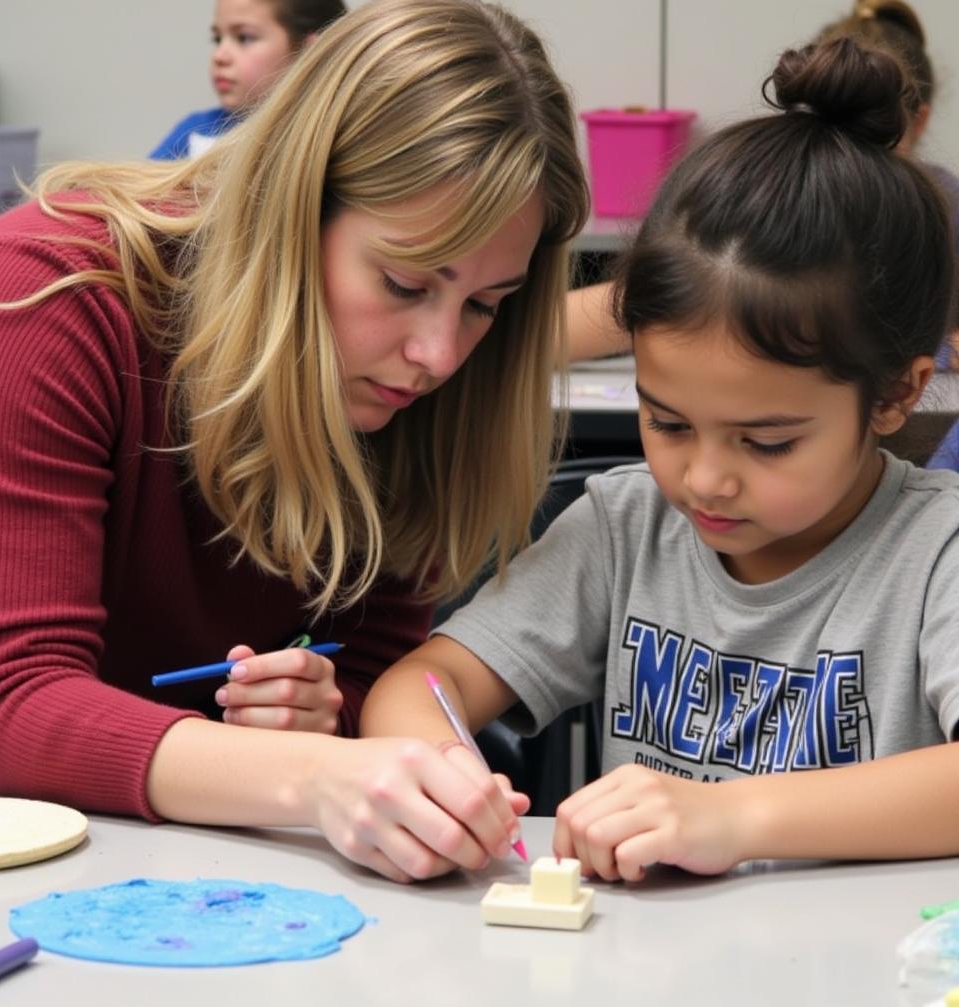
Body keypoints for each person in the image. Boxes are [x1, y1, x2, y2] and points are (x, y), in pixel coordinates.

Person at [0, 0, 591, 884]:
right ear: (292, 206)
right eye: (402, 282)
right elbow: (23, 708)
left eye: (485, 304)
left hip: (185, 785)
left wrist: (323, 716)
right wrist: (315, 776)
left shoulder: (418, 383)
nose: (439, 355)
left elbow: (368, 664)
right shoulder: (51, 291)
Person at [362, 37, 959, 882]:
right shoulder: (626, 526)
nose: (705, 478)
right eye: (668, 421)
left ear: (897, 395)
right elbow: (421, 683)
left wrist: (735, 815)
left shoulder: (938, 550)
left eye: (767, 441)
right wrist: (441, 777)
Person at [817, 0, 959, 369]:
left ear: (919, 121)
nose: (856, 154)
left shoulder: (950, 207)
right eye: (839, 129)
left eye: (877, 134)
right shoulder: (791, 200)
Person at [150, 0, 345, 159]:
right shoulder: (194, 133)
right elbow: (135, 200)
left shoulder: (336, 142)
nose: (219, 55)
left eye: (244, 38)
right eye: (217, 39)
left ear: (310, 52)